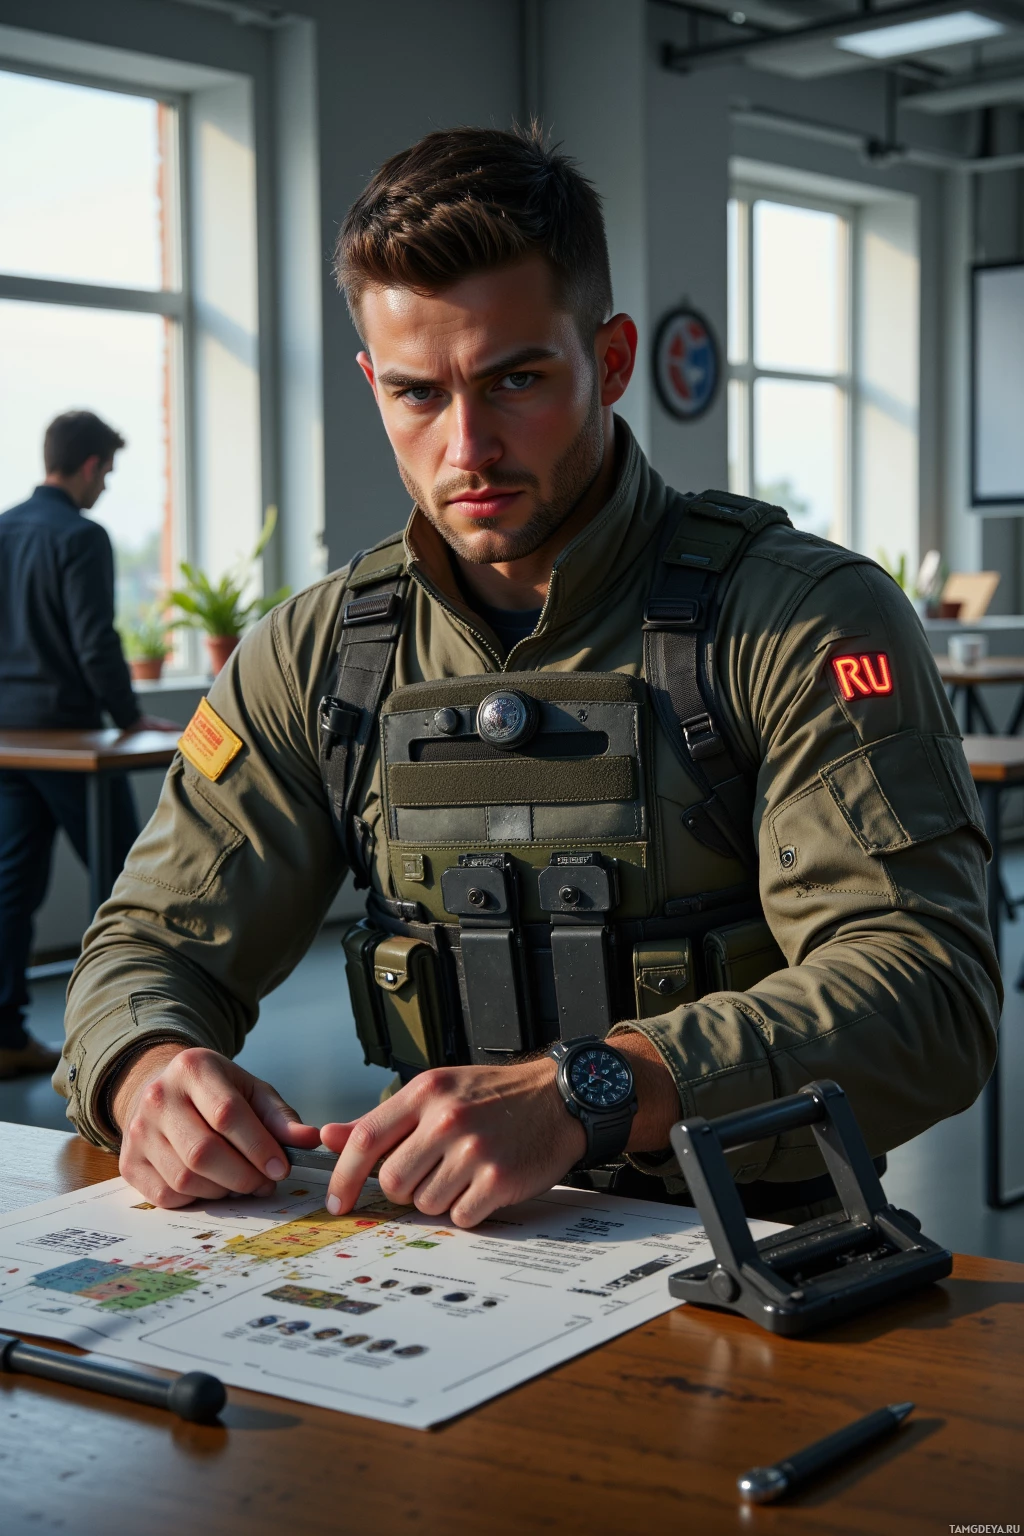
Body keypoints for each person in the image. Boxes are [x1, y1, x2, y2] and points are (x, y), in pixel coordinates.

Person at [59, 128, 999, 1230]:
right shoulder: (316, 655)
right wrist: (144, 1065)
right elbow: (147, 946)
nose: (468, 447)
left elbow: (926, 992)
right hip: (458, 1272)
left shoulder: (791, 618)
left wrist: (586, 1090)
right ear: (371, 385)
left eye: (515, 381)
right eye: (417, 394)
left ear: (607, 360)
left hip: (765, 1255)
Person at [0, 410, 177, 1080]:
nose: (106, 486)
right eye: (108, 472)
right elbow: (94, 640)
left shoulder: (3, 528)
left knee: (10, 887)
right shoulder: (81, 536)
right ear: (91, 466)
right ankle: (130, 1044)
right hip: (71, 737)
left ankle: (5, 1032)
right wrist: (131, 715)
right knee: (130, 884)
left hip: (9, 742)